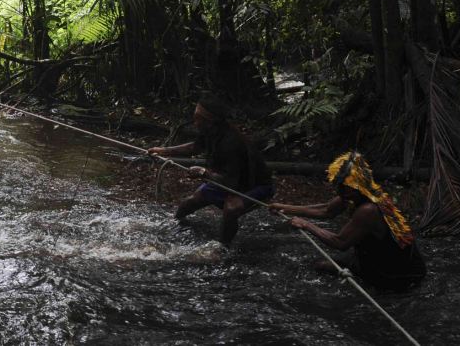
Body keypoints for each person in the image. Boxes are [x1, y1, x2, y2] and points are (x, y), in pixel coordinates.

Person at [269, 151, 426, 291]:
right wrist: (285, 208)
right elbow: (326, 210)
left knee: (323, 267)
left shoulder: (369, 210)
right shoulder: (355, 194)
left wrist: (306, 225)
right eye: (338, 186)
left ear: (358, 183)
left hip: (399, 273)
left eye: (343, 187)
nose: (339, 191)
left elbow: (340, 242)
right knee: (320, 266)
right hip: (373, 258)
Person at [147, 93, 273, 245]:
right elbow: (195, 147)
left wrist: (204, 173)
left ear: (211, 120)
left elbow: (229, 182)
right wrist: (163, 151)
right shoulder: (210, 131)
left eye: (198, 118)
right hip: (226, 179)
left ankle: (222, 248)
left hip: (253, 186)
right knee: (191, 202)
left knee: (231, 208)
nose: (195, 122)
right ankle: (175, 224)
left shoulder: (231, 142)